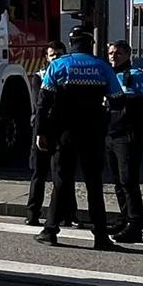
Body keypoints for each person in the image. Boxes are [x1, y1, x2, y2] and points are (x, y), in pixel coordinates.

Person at [35, 26, 123, 249]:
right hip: (93, 133)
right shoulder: (102, 66)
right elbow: (117, 101)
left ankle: (51, 230)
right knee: (94, 183)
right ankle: (100, 236)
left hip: (64, 132)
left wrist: (41, 133)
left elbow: (43, 103)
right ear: (90, 43)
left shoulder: (58, 64)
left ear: (71, 42)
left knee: (61, 181)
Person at [25, 41, 76, 228]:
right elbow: (40, 101)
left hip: (60, 129)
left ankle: (67, 214)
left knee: (61, 175)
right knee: (39, 173)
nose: (56, 58)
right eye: (52, 55)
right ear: (47, 58)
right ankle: (32, 213)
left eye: (59, 54)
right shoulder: (39, 76)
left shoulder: (69, 75)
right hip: (41, 127)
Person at [106, 39, 143, 243]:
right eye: (111, 53)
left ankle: (135, 224)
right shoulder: (108, 76)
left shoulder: (137, 77)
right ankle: (124, 218)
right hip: (110, 135)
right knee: (117, 181)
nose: (114, 56)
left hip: (128, 136)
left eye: (118, 53)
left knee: (128, 181)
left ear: (127, 55)